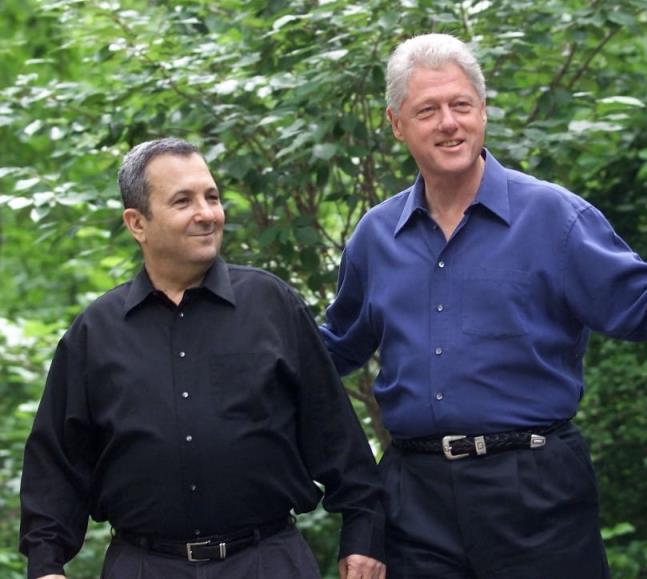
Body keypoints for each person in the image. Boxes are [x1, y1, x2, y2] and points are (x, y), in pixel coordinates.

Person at [319, 33, 647, 579]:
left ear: (483, 111)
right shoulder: (375, 236)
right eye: (427, 110)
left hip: (536, 491)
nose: (448, 123)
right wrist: (239, 351)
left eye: (461, 105)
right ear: (396, 123)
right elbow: (331, 349)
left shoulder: (553, 217)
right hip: (415, 499)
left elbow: (644, 297)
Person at [19, 138, 386, 579]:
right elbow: (56, 463)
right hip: (144, 567)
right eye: (183, 201)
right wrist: (46, 566)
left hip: (267, 561)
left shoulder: (272, 305)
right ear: (137, 223)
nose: (208, 213)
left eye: (211, 196)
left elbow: (336, 437)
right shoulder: (95, 333)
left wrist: (364, 534)